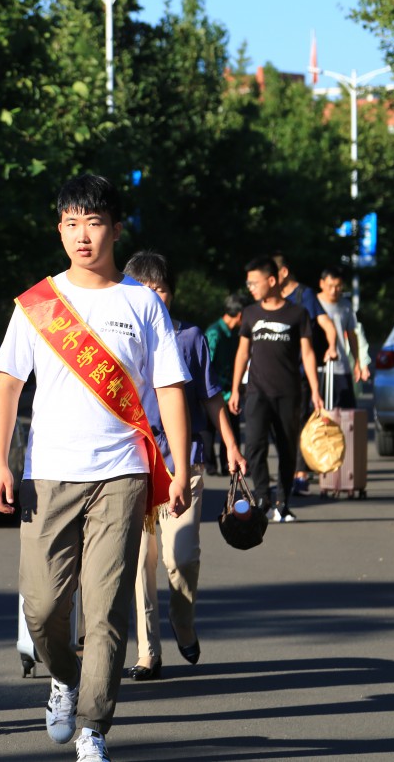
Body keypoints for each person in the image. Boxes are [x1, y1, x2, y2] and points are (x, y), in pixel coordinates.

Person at [0, 175, 191, 762]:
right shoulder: (37, 305)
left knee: (105, 608)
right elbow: (7, 387)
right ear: (59, 230)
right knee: (42, 606)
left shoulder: (142, 303)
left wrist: (177, 467)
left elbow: (170, 387)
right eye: (72, 224)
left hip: (122, 474)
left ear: (116, 229)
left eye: (94, 223)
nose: (83, 235)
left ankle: (93, 727)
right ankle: (63, 676)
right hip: (48, 473)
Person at [122, 252, 246, 683]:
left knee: (182, 557)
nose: (154, 296)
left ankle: (182, 618)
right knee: (140, 562)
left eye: (161, 289)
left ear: (171, 294)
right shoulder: (118, 339)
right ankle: (147, 653)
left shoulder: (190, 338)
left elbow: (211, 397)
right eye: (144, 289)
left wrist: (231, 445)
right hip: (132, 464)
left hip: (181, 464)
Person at [229, 256, 324, 522]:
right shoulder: (250, 313)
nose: (250, 288)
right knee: (254, 446)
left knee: (287, 448)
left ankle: (283, 502)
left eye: (254, 282)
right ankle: (262, 497)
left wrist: (315, 390)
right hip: (257, 392)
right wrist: (235, 389)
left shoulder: (297, 313)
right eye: (248, 284)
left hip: (289, 393)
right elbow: (242, 353)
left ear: (271, 281)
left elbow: (308, 354)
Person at [271, 253, 338, 496]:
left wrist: (332, 347)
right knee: (277, 425)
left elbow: (327, 324)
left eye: (272, 274)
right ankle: (288, 472)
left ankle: (299, 474)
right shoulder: (272, 297)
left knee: (299, 423)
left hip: (299, 371)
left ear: (283, 272)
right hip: (275, 372)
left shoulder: (304, 295)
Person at [202, 293, 245, 474]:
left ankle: (229, 464)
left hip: (229, 389)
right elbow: (206, 364)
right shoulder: (214, 332)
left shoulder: (235, 334)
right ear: (240, 315)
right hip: (212, 390)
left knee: (232, 428)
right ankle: (210, 466)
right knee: (209, 430)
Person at [317, 267, 370, 406]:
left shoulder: (346, 305)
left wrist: (357, 362)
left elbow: (352, 335)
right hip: (319, 367)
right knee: (320, 411)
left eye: (338, 286)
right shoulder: (314, 303)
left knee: (346, 410)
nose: (334, 290)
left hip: (341, 366)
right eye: (330, 286)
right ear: (321, 284)